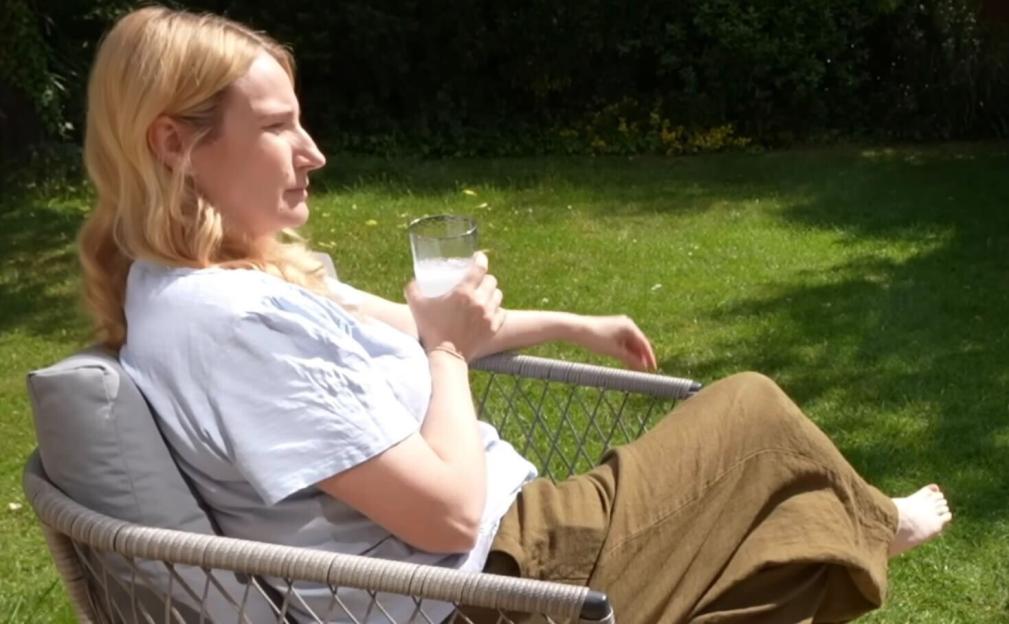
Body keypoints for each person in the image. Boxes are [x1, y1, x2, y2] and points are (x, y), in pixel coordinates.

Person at [77, 6, 951, 623]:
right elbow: (445, 516)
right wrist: (450, 357)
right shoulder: (233, 324)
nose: (314, 153)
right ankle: (875, 524)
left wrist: (574, 322)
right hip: (494, 584)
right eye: (277, 128)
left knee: (769, 537)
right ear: (174, 145)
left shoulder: (230, 282)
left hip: (513, 541)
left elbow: (421, 324)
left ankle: (855, 529)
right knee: (752, 414)